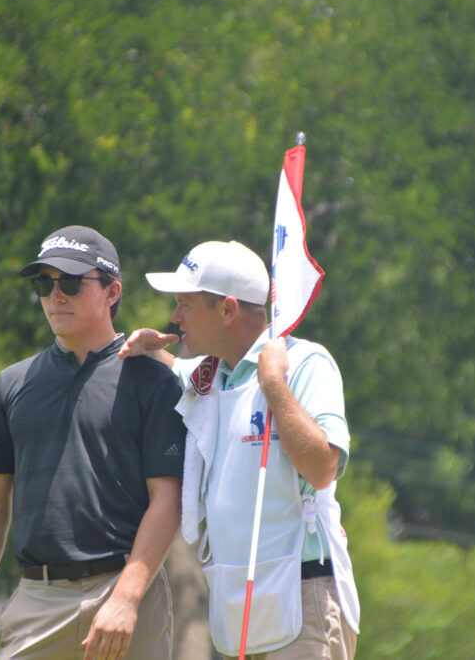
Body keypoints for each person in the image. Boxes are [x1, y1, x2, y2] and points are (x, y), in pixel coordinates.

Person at [119, 240, 360, 659]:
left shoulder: (304, 363)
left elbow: (324, 467)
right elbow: (174, 369)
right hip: (240, 604)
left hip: (303, 594)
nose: (175, 316)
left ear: (228, 310)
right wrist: (147, 347)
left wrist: (273, 386)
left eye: (185, 304)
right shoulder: (211, 373)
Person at [0, 225, 186, 660]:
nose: (55, 296)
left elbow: (167, 502)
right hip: (36, 600)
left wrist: (127, 598)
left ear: (112, 292)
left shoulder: (152, 380)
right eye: (45, 283)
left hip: (127, 593)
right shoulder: (12, 383)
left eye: (72, 283)